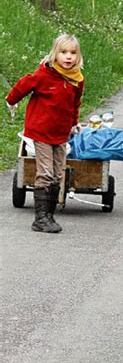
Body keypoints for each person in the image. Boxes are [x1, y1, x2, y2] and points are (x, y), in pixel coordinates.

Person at [6, 34, 85, 233]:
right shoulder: (44, 75)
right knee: (46, 173)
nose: (68, 57)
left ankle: (49, 215)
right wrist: (12, 99)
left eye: (73, 53)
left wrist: (74, 123)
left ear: (78, 56)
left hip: (61, 132)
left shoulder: (77, 79)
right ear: (55, 54)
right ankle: (40, 218)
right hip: (41, 131)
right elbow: (25, 84)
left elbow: (75, 104)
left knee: (58, 173)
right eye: (64, 52)